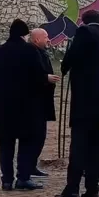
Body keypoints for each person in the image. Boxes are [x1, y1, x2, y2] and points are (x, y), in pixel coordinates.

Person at [0, 19, 57, 191]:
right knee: (26, 142)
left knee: (6, 144)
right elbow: (36, 76)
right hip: (27, 106)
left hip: (5, 107)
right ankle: (23, 177)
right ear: (24, 35)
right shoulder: (30, 51)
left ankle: (6, 180)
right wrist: (45, 80)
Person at [54, 10, 99, 197]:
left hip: (86, 101)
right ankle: (92, 189)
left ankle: (71, 190)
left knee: (79, 146)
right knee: (96, 148)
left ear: (84, 21)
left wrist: (65, 65)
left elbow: (72, 56)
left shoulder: (84, 33)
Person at [29, 28, 57, 178]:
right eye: (45, 37)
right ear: (36, 40)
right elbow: (29, 76)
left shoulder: (41, 52)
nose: (48, 39)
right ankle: (27, 167)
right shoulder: (32, 54)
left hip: (43, 101)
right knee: (35, 136)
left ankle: (32, 165)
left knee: (40, 136)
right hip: (35, 103)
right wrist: (45, 78)